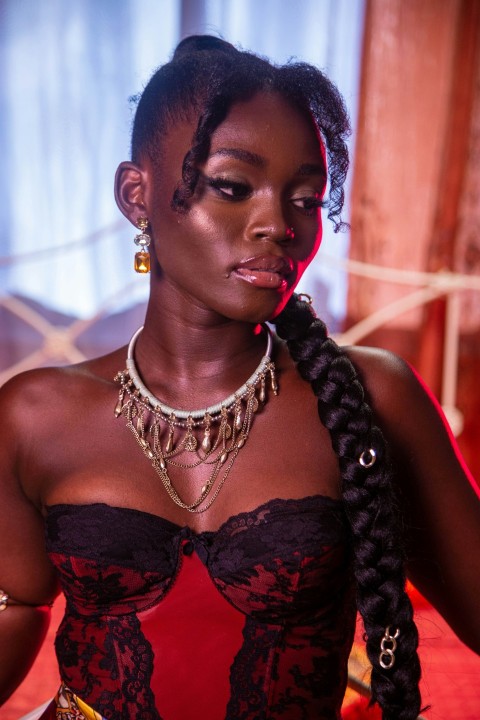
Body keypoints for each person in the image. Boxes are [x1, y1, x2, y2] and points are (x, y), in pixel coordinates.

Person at [0, 34, 479, 720]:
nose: (277, 224)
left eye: (306, 199)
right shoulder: (34, 415)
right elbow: (15, 608)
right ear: (137, 195)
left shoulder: (372, 399)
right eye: (233, 186)